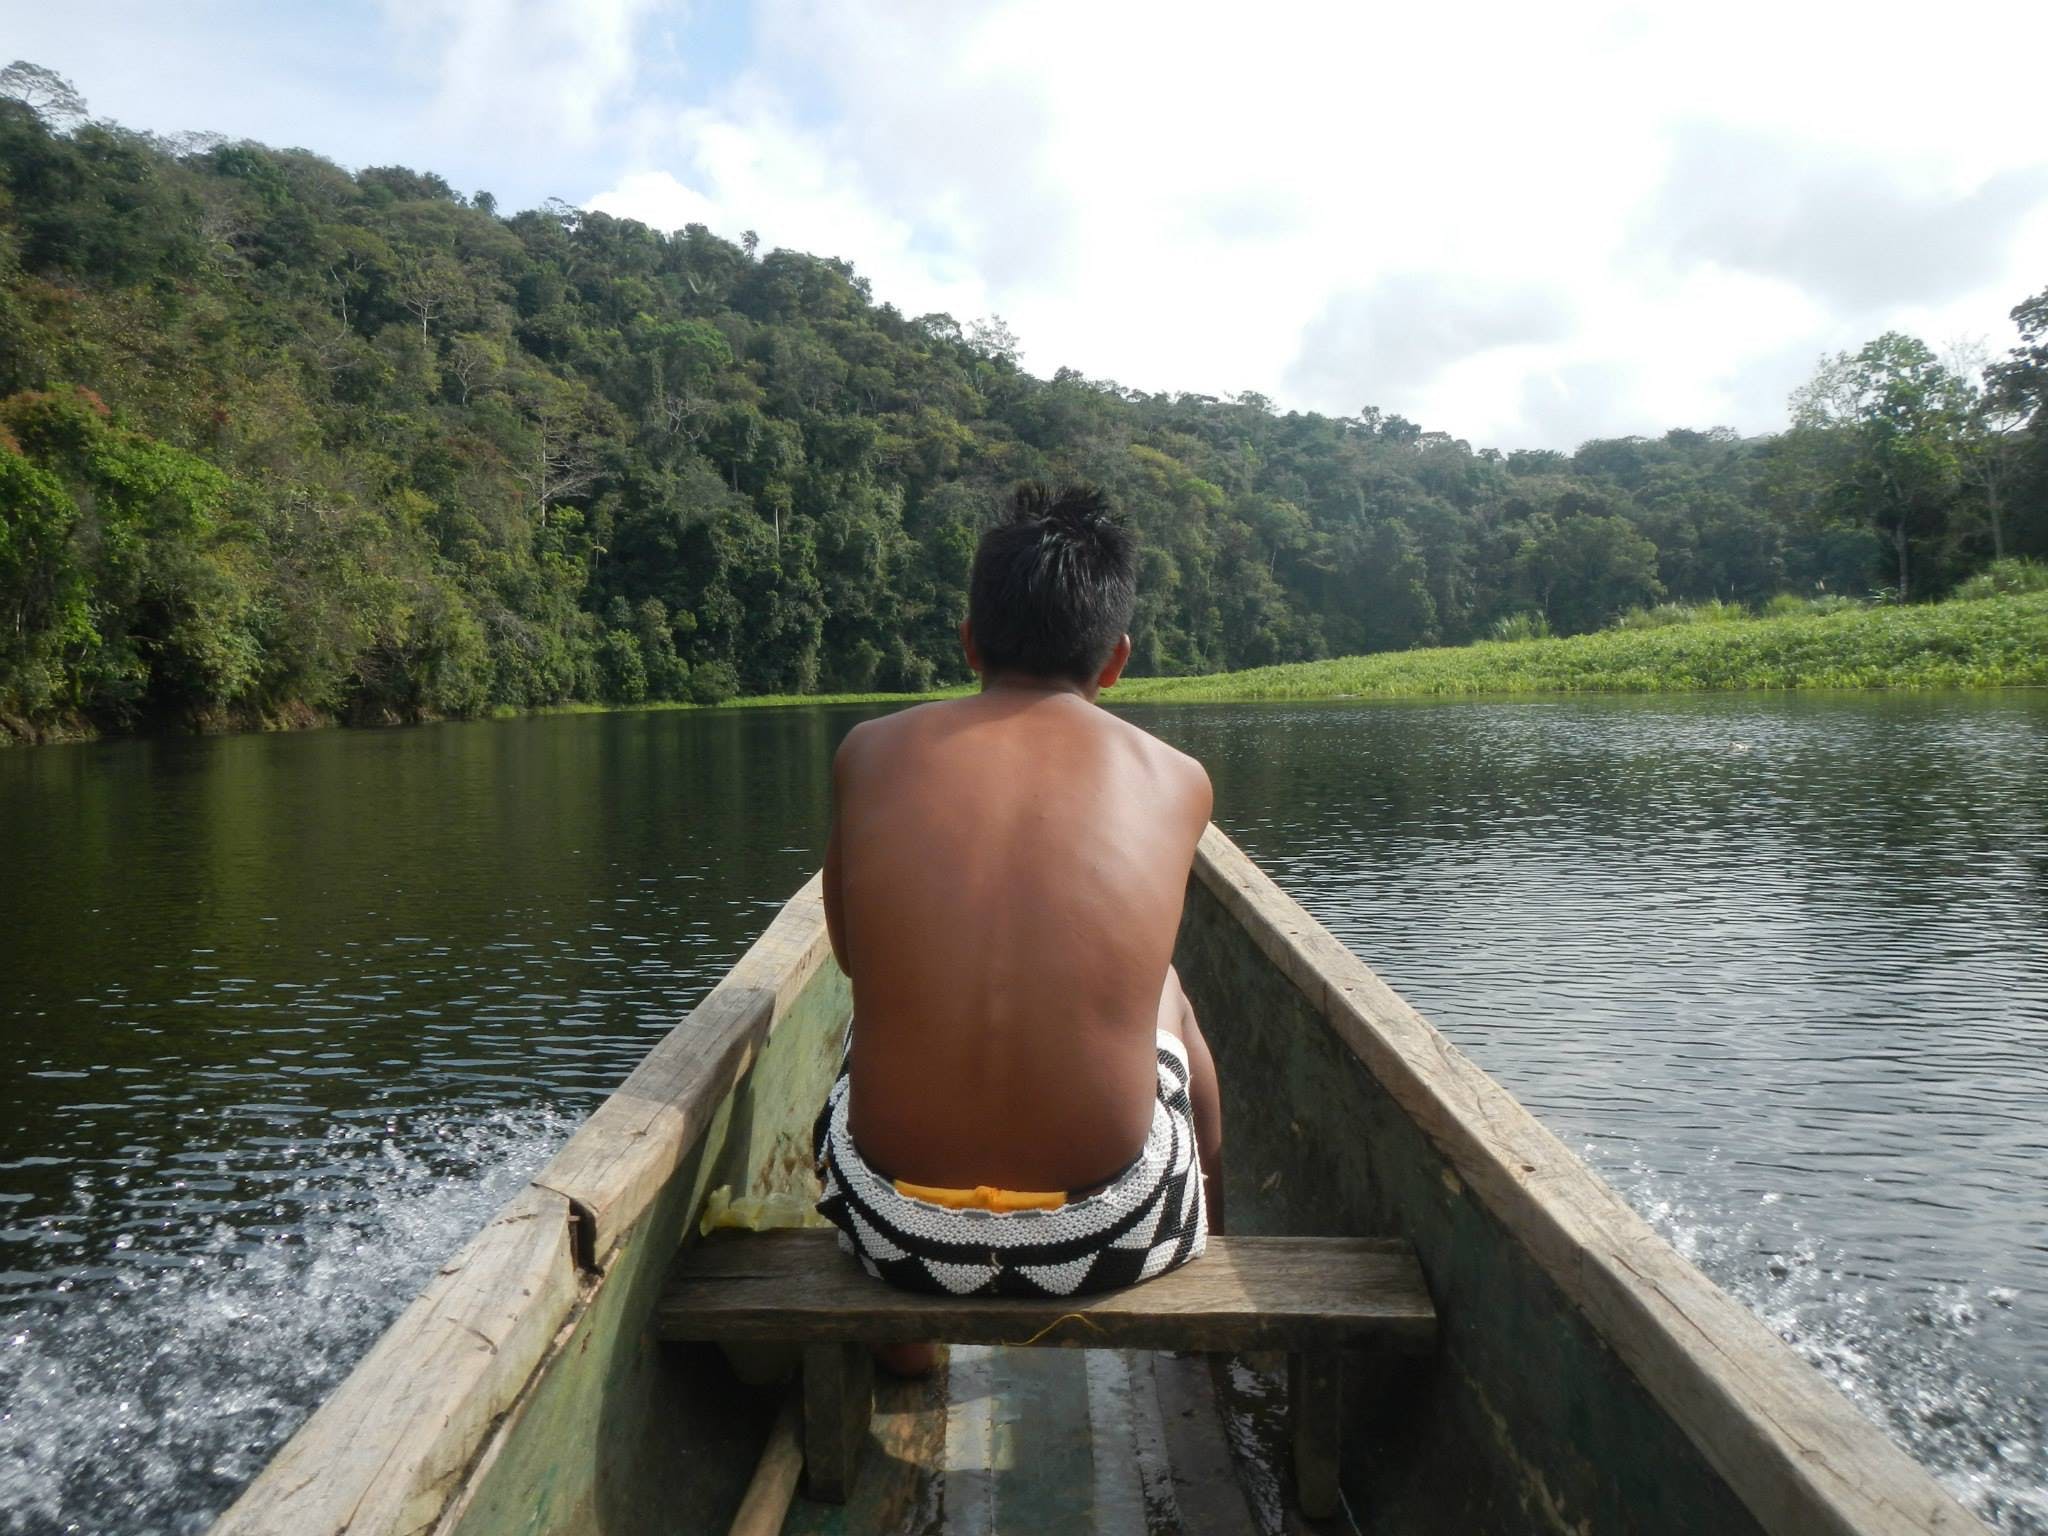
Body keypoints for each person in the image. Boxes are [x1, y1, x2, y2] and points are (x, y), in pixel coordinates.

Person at [814, 482, 1224, 1371]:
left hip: (891, 1238)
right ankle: (1210, 1256)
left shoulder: (869, 751)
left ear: (968, 643)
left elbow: (851, 959)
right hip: (1118, 1235)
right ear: (1115, 661)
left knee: (869, 1022)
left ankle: (908, 1345)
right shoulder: (1178, 776)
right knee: (1169, 996)